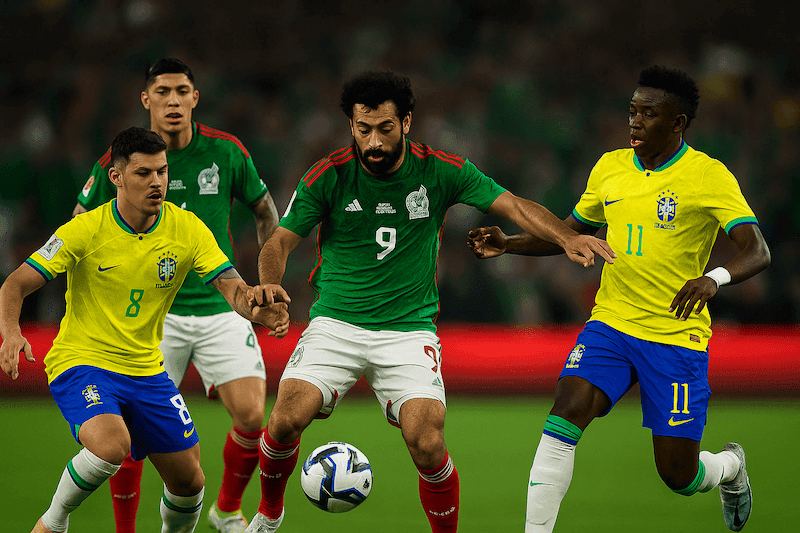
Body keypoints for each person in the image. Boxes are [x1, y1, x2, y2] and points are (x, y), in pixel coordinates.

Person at [241, 70, 615, 533]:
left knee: (427, 440)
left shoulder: (440, 169)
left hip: (407, 330)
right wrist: (270, 285)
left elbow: (514, 206)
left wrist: (564, 237)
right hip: (336, 323)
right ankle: (269, 514)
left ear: (407, 122)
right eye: (362, 130)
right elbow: (278, 242)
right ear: (351, 126)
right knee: (282, 421)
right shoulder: (329, 175)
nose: (373, 142)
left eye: (384, 129)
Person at [467, 65, 771, 532]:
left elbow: (757, 250)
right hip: (610, 324)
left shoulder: (708, 176)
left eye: (649, 114)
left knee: (679, 476)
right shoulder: (609, 167)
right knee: (565, 411)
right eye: (632, 111)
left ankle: (729, 468)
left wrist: (715, 279)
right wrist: (509, 242)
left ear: (677, 123)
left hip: (674, 335)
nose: (635, 121)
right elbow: (570, 235)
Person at [0, 127, 289, 533]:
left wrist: (256, 309)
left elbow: (232, 287)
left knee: (190, 483)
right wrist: (11, 331)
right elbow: (15, 283)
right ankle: (54, 521)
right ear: (115, 177)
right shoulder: (84, 230)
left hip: (146, 371)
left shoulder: (186, 229)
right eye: (143, 174)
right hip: (82, 362)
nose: (157, 182)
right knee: (111, 447)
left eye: (162, 171)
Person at [72, 58, 280, 533]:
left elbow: (266, 211)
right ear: (146, 100)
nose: (172, 100)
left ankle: (226, 509)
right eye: (162, 91)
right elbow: (79, 226)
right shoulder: (119, 160)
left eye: (182, 90)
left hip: (217, 304)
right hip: (147, 318)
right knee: (127, 431)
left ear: (195, 98)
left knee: (251, 416)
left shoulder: (226, 152)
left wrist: (263, 276)